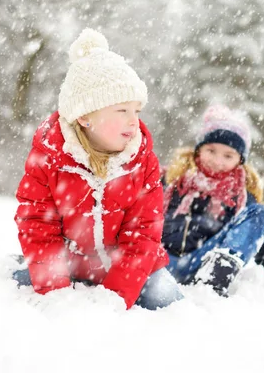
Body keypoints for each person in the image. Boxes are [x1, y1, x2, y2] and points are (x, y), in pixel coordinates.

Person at [13, 28, 183, 310]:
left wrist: (113, 299)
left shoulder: (143, 163)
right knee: (20, 289)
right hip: (68, 261)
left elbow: (142, 236)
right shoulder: (49, 157)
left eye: (136, 111)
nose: (134, 121)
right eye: (121, 111)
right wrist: (55, 292)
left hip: (129, 266)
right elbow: (37, 224)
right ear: (85, 117)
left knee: (167, 300)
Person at [161, 105, 264, 296]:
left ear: (240, 160)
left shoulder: (241, 195)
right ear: (199, 149)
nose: (217, 161)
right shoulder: (173, 179)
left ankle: (215, 276)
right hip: (160, 261)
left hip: (202, 263)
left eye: (228, 155)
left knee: (260, 214)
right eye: (211, 150)